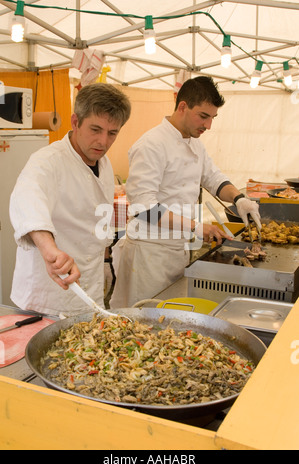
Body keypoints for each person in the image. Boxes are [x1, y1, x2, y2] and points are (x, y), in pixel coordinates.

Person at [110, 76, 261, 308]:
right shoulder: (151, 145)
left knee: (168, 320)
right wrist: (196, 227)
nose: (208, 125)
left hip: (178, 250)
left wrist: (239, 199)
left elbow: (214, 178)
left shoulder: (195, 143)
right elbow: (143, 207)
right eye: (203, 116)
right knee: (143, 321)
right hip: (148, 255)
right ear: (182, 107)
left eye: (212, 118)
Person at [9, 83, 131, 316]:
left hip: (89, 287)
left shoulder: (104, 164)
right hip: (47, 295)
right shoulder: (47, 161)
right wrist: (50, 251)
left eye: (112, 133)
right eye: (95, 129)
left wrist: (106, 261)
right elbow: (28, 201)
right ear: (75, 122)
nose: (103, 142)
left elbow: (99, 218)